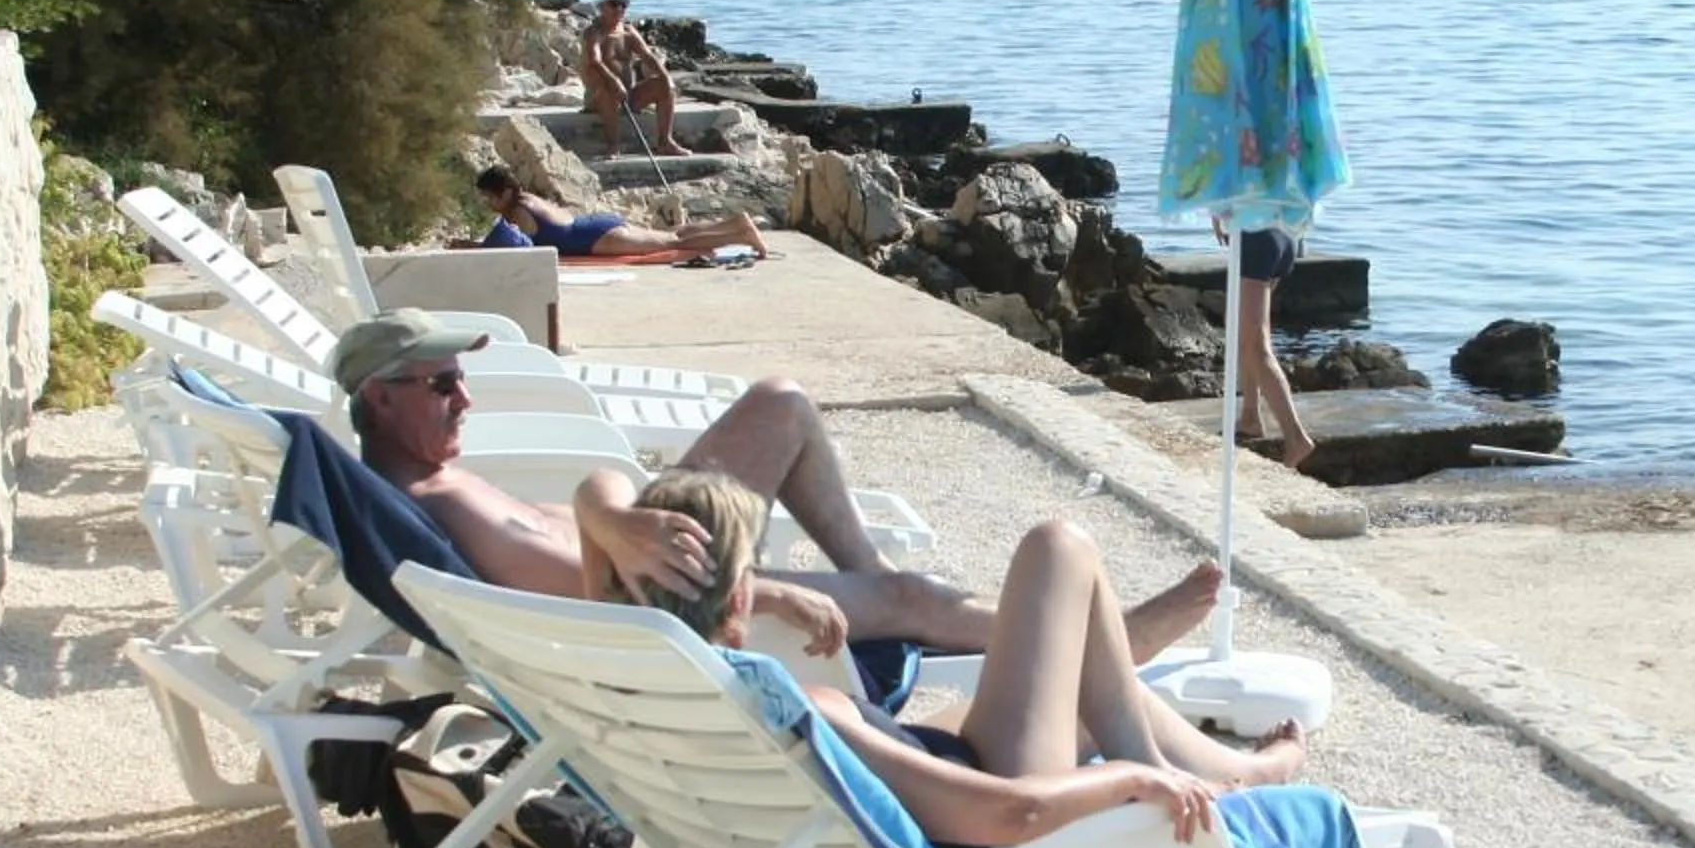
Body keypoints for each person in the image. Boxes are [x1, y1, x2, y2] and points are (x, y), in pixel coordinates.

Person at [332, 311, 1221, 663]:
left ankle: (885, 593)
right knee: (903, 593)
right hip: (672, 595)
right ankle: (1100, 645)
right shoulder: (439, 504)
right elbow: (591, 596)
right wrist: (772, 593)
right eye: (442, 384)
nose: (466, 396)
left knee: (781, 404)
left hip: (650, 543)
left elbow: (589, 515)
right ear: (380, 398)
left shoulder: (433, 484)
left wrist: (608, 512)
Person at [606, 468, 1307, 848]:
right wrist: (1132, 781)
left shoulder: (641, 680)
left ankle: (1241, 768)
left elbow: (595, 505)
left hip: (943, 759)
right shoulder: (799, 713)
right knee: (1057, 547)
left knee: (1080, 680)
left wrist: (764, 590)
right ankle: (1163, 759)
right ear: (739, 596)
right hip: (995, 818)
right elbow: (1012, 816)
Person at [476, 168, 771, 261]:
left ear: (502, 193)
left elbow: (510, 250)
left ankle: (741, 235)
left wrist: (471, 247)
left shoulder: (516, 211)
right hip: (596, 224)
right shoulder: (528, 197)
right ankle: (735, 223)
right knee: (675, 233)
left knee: (673, 244)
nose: (489, 204)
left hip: (596, 239)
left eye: (489, 197)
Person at [1218, 216, 1316, 473]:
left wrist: (1217, 215)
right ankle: (1250, 416)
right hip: (1284, 235)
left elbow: (1231, 182)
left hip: (1256, 239)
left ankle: (1296, 437)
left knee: (1256, 348)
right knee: (1243, 332)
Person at [579, 0, 689, 155]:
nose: (620, 9)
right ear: (602, 7)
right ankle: (613, 145)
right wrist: (613, 81)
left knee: (664, 85)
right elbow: (595, 61)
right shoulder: (594, 33)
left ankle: (665, 142)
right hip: (600, 97)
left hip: (628, 95)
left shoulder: (628, 32)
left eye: (623, 4)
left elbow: (648, 56)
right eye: (614, 4)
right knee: (608, 89)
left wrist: (665, 76)